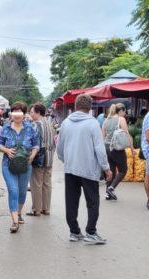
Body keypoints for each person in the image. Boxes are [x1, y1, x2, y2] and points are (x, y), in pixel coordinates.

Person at [56, 94, 111, 244]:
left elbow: (59, 147)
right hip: (88, 169)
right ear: (90, 107)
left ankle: (74, 232)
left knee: (71, 201)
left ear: (75, 106)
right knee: (92, 201)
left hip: (70, 168)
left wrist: (66, 160)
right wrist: (106, 168)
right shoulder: (93, 123)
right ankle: (91, 232)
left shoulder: (66, 123)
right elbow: (100, 149)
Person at [0, 101, 40, 233]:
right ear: (11, 114)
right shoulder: (5, 128)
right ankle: (15, 221)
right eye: (14, 112)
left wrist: (32, 156)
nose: (17, 115)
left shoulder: (30, 128)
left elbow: (36, 144)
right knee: (13, 190)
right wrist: (6, 150)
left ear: (24, 114)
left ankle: (19, 212)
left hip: (25, 165)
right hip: (8, 165)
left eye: (19, 112)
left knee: (22, 192)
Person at [28, 102, 57, 216]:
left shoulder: (36, 125)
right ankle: (46, 209)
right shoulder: (50, 124)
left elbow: (34, 143)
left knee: (36, 184)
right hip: (49, 158)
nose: (30, 114)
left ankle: (37, 209)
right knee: (47, 184)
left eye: (31, 112)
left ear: (38, 112)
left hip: (39, 158)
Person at [102, 103, 132, 200]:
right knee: (123, 170)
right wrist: (131, 147)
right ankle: (111, 188)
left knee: (111, 171)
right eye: (124, 111)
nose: (125, 113)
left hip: (106, 147)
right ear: (120, 111)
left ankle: (107, 194)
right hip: (116, 148)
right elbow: (127, 134)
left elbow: (102, 136)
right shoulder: (121, 119)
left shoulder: (106, 120)